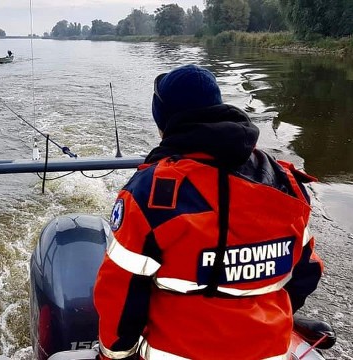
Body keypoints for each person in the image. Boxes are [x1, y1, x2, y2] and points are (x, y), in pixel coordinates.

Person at [94, 65, 323, 360]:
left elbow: (120, 290)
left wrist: (112, 355)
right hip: (271, 352)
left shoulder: (152, 193)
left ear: (164, 123)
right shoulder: (284, 182)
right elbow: (308, 270)